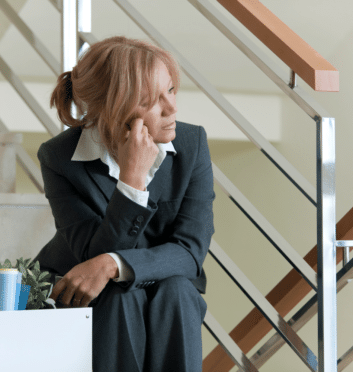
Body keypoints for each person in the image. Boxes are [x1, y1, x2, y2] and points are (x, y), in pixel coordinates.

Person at [31, 36, 215, 372]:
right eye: (152, 100)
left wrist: (112, 264)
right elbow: (91, 252)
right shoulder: (59, 158)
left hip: (166, 294)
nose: (172, 107)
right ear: (114, 107)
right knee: (120, 295)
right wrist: (132, 177)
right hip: (90, 300)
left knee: (178, 290)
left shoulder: (193, 145)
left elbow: (190, 252)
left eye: (171, 90)